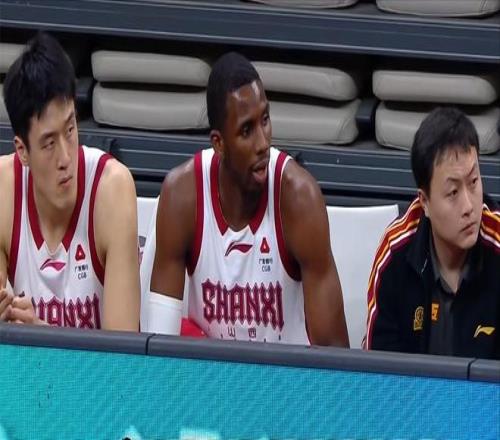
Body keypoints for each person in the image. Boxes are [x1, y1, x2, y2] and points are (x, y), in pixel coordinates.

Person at [147, 52, 349, 346]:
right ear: (219, 143)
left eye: (265, 120)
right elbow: (159, 345)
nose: (263, 143)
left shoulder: (298, 198)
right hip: (209, 373)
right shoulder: (182, 195)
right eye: (246, 130)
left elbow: (335, 354)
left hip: (284, 374)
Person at [0, 32, 140, 330]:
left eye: (70, 130)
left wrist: (39, 336)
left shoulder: (112, 189)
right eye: (49, 143)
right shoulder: (3, 189)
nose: (66, 158)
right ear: (22, 150)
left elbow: (122, 352)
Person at [364, 107, 499, 359]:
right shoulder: (394, 255)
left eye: (474, 182)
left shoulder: (497, 244)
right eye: (453, 193)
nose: (469, 207)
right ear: (424, 201)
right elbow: (378, 374)